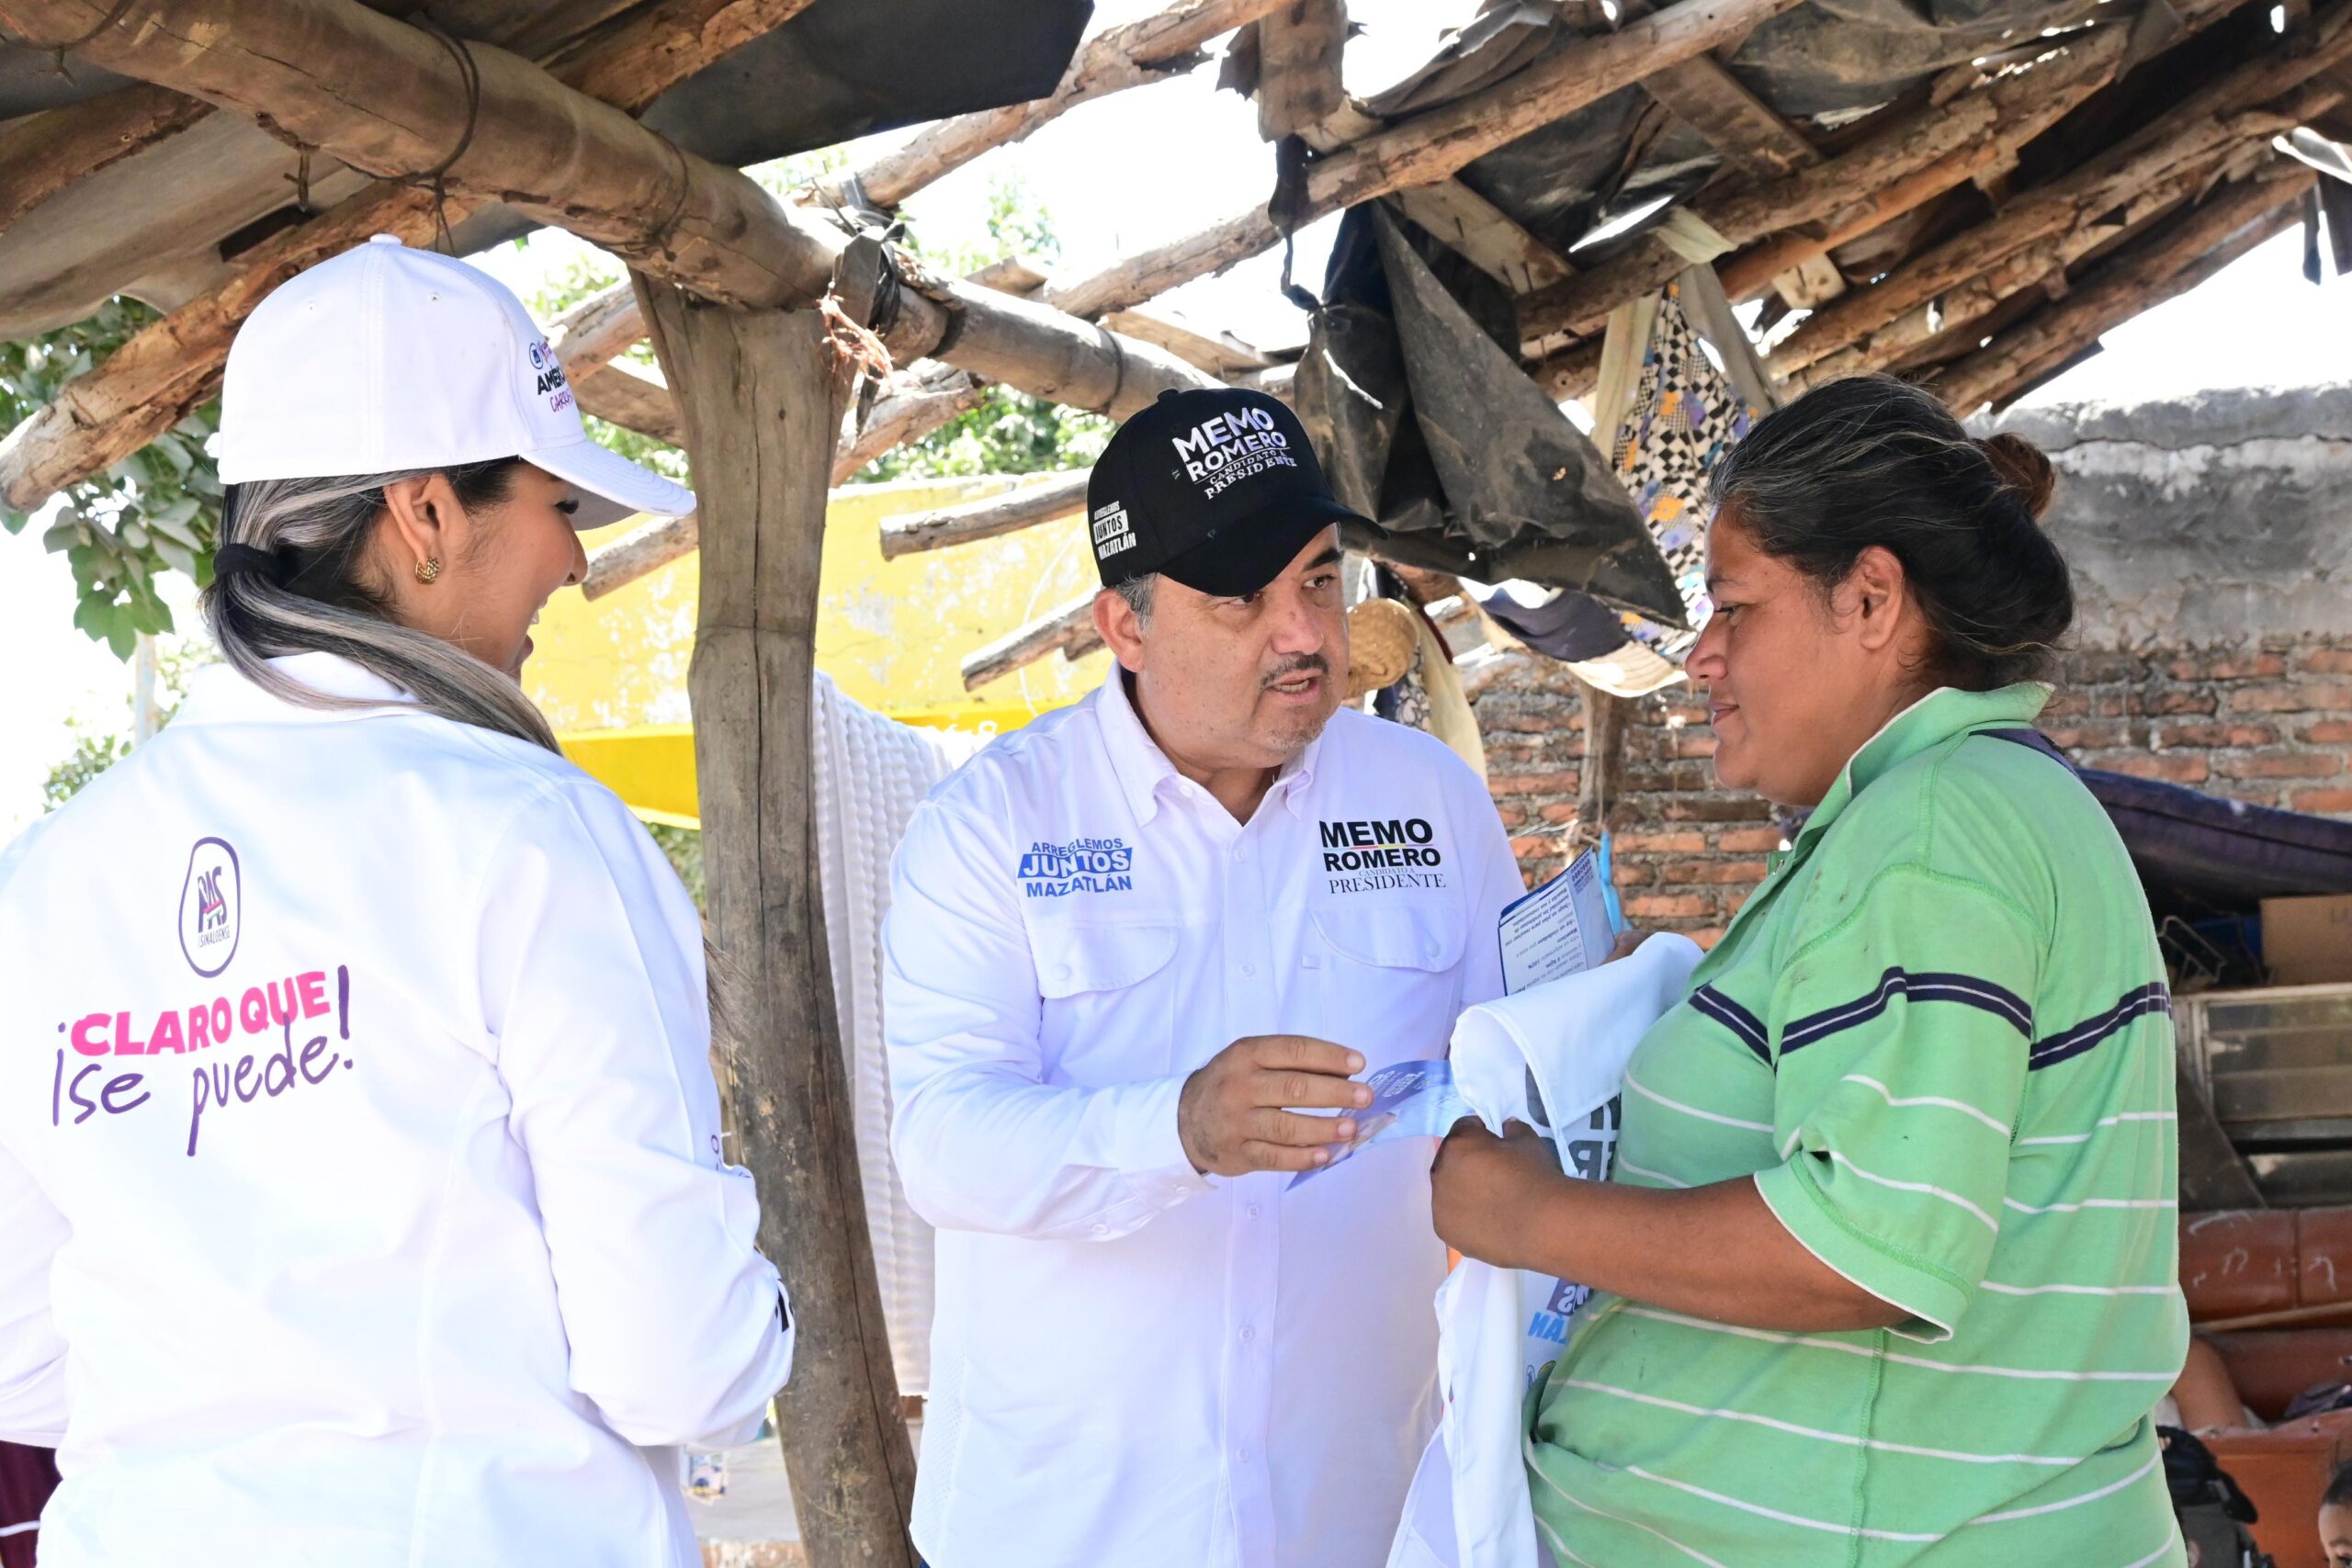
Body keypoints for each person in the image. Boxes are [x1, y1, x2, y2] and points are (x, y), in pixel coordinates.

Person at [0, 236, 794, 1567]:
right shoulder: (531, 833)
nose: (577, 564)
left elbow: (22, 1353)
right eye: (562, 506)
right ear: (424, 514)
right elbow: (677, 1360)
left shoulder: (54, 874)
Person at [1432, 374, 2188, 1566]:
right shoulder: (1978, 806)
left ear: (1872, 600)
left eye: (1736, 608)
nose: (1706, 657)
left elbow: (1865, 1243)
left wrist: (1523, 1210)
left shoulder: (1932, 835)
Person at [883, 387, 1524, 1567]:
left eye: (1319, 581)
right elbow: (942, 1144)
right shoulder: (992, 825)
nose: (1302, 634)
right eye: (1241, 596)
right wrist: (1179, 1130)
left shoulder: (1429, 802)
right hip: (1066, 1526)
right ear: (1124, 627)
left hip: (1362, 1512)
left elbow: (1511, 1093)